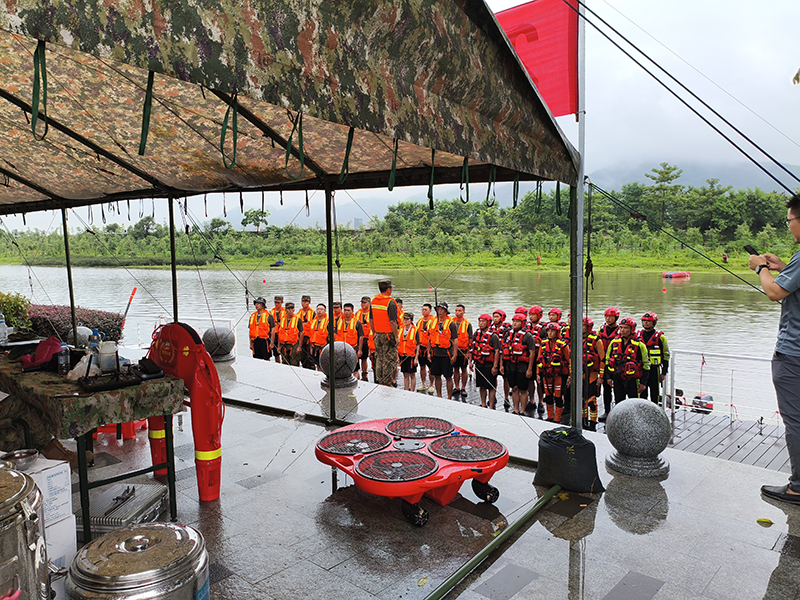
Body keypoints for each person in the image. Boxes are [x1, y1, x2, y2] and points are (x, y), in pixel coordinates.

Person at [749, 193, 800, 504]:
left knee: (795, 420)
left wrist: (761, 269)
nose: (789, 226)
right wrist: (782, 266)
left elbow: (774, 292)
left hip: (793, 354)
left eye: (790, 220)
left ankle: (798, 486)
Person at [605, 317, 649, 411]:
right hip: (618, 378)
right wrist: (608, 377)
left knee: (635, 406)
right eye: (621, 327)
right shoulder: (614, 342)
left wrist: (643, 383)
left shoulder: (639, 345)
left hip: (633, 380)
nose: (622, 330)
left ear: (632, 329)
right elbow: (608, 360)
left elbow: (646, 365)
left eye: (625, 328)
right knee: (619, 404)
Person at [501, 312, 537, 415]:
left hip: (522, 366)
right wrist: (501, 365)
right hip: (510, 365)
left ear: (523, 323)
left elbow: (532, 353)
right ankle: (516, 409)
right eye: (513, 321)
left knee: (523, 389)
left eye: (517, 321)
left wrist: (530, 369)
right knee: (514, 388)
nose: (514, 323)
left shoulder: (528, 336)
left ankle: (522, 411)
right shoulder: (508, 334)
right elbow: (503, 349)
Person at [536, 322, 570, 422]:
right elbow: (539, 359)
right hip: (546, 375)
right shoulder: (543, 344)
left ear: (557, 332)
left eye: (553, 331)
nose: (550, 333)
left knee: (558, 397)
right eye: (549, 331)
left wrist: (570, 376)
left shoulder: (563, 345)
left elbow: (569, 361)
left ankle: (557, 419)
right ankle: (550, 417)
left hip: (559, 375)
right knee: (548, 396)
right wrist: (537, 374)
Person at [370, 279, 399, 387]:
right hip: (388, 334)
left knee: (379, 358)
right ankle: (387, 382)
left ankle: (380, 380)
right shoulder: (390, 302)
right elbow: (393, 321)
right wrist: (396, 337)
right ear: (388, 290)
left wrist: (374, 332)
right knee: (389, 358)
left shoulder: (374, 301)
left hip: (378, 334)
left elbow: (371, 320)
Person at [636, 311, 670, 404]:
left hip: (654, 369)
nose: (646, 323)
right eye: (644, 321)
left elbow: (666, 355)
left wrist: (664, 372)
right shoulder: (637, 336)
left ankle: (654, 409)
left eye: (648, 321)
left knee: (654, 393)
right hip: (641, 369)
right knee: (641, 393)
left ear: (654, 323)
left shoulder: (660, 337)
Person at [469, 314, 501, 409]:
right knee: (481, 386)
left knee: (491, 386)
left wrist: (495, 366)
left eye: (483, 321)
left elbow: (497, 351)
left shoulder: (493, 336)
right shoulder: (476, 334)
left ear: (488, 323)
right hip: (478, 363)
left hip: (489, 365)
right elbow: (472, 348)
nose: (481, 323)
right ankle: (483, 403)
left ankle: (491, 405)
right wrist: (470, 362)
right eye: (480, 321)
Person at [428, 302, 458, 399]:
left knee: (448, 376)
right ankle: (439, 396)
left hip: (446, 353)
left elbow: (455, 340)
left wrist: (455, 354)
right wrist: (428, 352)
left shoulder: (451, 323)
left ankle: (449, 397)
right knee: (437, 376)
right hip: (435, 353)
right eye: (438, 309)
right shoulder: (433, 322)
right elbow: (430, 338)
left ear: (446, 311)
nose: (439, 311)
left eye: (441, 309)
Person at [581, 317, 605, 431]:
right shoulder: (575, 339)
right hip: (580, 374)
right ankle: (583, 420)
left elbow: (602, 359)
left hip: (592, 374)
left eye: (583, 326)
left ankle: (593, 423)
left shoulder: (596, 341)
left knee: (591, 401)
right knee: (581, 401)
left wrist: (601, 377)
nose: (581, 328)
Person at [597, 306, 621, 422]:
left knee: (618, 389)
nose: (608, 319)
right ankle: (607, 411)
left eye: (611, 317)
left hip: (617, 363)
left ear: (616, 318)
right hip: (604, 363)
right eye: (606, 316)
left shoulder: (620, 331)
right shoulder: (601, 330)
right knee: (606, 389)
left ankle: (619, 412)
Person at [490, 309, 512, 411]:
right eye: (494, 317)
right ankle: (493, 396)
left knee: (505, 378)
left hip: (504, 357)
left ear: (502, 318)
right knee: (493, 377)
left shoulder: (508, 330)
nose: (495, 319)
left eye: (497, 317)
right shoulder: (490, 328)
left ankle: (506, 397)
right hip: (493, 356)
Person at [526, 305, 546, 417]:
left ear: (539, 316)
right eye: (530, 315)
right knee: (530, 380)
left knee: (539, 381)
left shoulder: (543, 329)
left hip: (539, 358)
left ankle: (541, 402)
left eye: (533, 315)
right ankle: (532, 400)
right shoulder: (526, 327)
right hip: (529, 358)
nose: (531, 317)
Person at [336, 302, 364, 378]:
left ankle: (357, 382)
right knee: (342, 368)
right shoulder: (339, 321)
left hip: (353, 350)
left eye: (348, 310)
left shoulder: (357, 322)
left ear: (352, 311)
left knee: (355, 369)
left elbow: (361, 336)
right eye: (345, 310)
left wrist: (360, 350)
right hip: (341, 350)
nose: (346, 312)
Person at [452, 304, 473, 400]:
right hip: (453, 350)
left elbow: (470, 339)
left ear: (464, 312)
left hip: (463, 351)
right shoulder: (451, 322)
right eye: (456, 310)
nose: (457, 312)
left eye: (459, 310)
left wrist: (469, 351)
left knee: (464, 369)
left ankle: (463, 387)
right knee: (455, 369)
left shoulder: (467, 324)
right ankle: (456, 386)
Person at [397, 313, 419, 391]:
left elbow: (418, 345)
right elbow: (397, 343)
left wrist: (416, 358)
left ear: (411, 320)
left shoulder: (415, 330)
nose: (405, 321)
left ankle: (412, 390)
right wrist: (397, 356)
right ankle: (406, 389)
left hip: (411, 356)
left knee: (412, 375)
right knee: (405, 374)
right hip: (402, 355)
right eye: (404, 319)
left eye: (407, 319)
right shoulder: (401, 329)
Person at [416, 303, 435, 393]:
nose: (423, 311)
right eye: (423, 309)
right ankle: (423, 384)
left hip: (430, 348)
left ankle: (431, 385)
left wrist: (430, 349)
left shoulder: (433, 321)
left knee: (431, 368)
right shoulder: (419, 321)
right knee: (422, 367)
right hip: (421, 348)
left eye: (426, 310)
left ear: (430, 311)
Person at [249, 297, 275, 361]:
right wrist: (250, 343)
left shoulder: (268, 316)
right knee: (256, 359)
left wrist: (272, 343)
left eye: (258, 303)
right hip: (255, 341)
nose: (256, 305)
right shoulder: (252, 316)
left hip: (265, 341)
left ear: (263, 305)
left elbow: (273, 330)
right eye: (255, 304)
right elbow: (250, 330)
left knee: (266, 358)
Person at [305, 303, 329, 369]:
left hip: (323, 348)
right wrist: (311, 347)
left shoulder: (328, 322)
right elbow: (311, 335)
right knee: (317, 365)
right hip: (314, 347)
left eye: (321, 309)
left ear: (325, 311)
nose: (319, 311)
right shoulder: (313, 321)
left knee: (324, 365)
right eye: (318, 309)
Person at [355, 296, 373, 382]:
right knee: (358, 356)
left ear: (369, 303)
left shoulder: (372, 314)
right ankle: (357, 373)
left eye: (365, 302)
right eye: (362, 302)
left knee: (365, 358)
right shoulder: (358, 313)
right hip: (359, 337)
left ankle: (365, 374)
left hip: (368, 338)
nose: (363, 304)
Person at [298, 295, 316, 370]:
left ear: (309, 302)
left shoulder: (313, 313)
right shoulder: (299, 312)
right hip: (301, 337)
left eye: (306, 301)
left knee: (310, 357)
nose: (304, 303)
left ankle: (312, 369)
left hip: (309, 337)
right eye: (303, 301)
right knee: (302, 356)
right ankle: (304, 369)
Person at [270, 295, 286, 361]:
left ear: (282, 302)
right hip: (274, 334)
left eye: (278, 302)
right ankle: (277, 363)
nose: (276, 304)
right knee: (276, 354)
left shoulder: (285, 311)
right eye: (275, 302)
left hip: (282, 335)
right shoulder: (272, 311)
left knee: (283, 353)